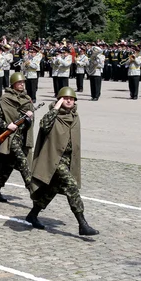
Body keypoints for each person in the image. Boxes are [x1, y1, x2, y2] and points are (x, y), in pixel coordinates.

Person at [26, 87, 99, 236]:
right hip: (54, 158)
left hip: (68, 159)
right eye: (65, 98)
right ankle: (82, 224)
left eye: (71, 99)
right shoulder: (53, 116)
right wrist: (55, 108)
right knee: (71, 187)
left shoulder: (74, 116)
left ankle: (33, 214)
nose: (69, 100)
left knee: (51, 189)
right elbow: (43, 125)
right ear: (59, 100)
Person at [0, 72, 35, 202]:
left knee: (9, 165)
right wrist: (7, 125)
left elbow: (30, 123)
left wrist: (29, 118)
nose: (22, 84)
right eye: (19, 82)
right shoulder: (5, 100)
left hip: (22, 137)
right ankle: (33, 193)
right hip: (10, 137)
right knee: (23, 162)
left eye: (23, 82)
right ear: (13, 84)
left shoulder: (27, 99)